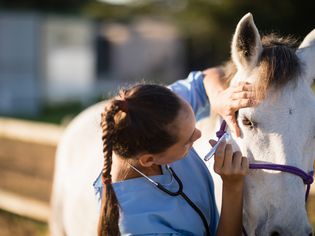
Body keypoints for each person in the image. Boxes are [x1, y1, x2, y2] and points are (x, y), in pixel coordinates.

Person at [94, 67, 256, 236]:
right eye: (188, 141)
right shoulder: (137, 226)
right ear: (149, 160)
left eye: (195, 125)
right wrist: (233, 187)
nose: (198, 134)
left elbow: (208, 77)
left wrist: (218, 98)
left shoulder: (158, 110)